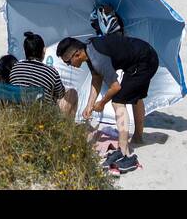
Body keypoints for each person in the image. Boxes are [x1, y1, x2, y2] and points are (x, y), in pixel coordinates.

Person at [56, 33, 160, 174]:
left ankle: (123, 151)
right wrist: (89, 105)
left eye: (68, 62)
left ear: (77, 54)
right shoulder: (89, 49)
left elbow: (115, 87)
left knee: (118, 101)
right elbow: (96, 79)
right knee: (136, 95)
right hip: (143, 55)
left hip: (144, 61)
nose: (69, 66)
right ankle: (138, 137)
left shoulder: (97, 59)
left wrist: (102, 102)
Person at [9, 31, 78, 117]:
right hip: (43, 118)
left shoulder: (15, 68)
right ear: (44, 50)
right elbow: (60, 94)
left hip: (18, 115)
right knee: (72, 93)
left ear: (24, 51)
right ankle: (68, 128)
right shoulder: (51, 72)